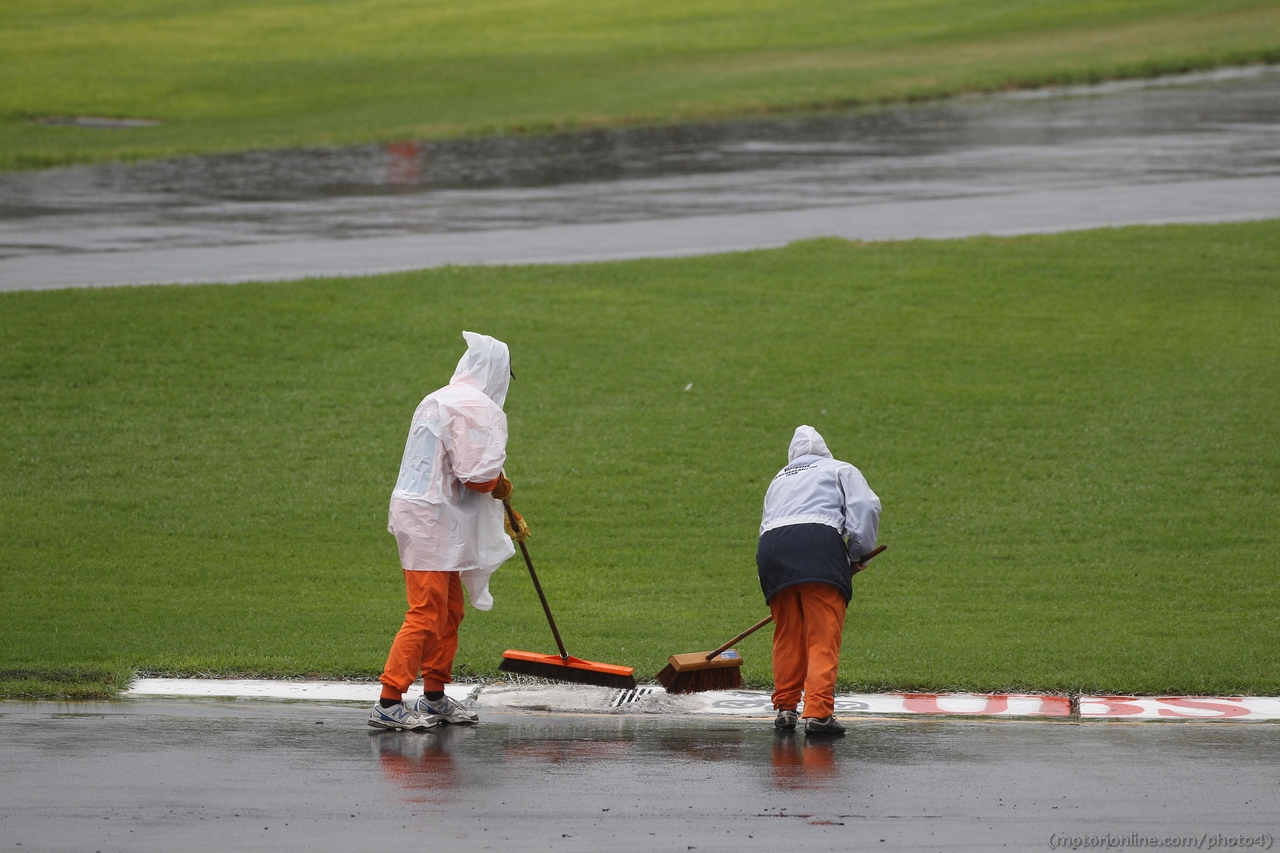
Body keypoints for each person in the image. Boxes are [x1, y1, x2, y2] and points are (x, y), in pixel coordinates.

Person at [369, 331, 530, 731]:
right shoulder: (474, 407)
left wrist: (499, 492)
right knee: (426, 613)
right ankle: (389, 702)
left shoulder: (441, 397)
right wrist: (500, 487)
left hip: (429, 516)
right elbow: (476, 475)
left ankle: (434, 695)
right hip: (430, 521)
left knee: (449, 610)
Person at [756, 425, 880, 736]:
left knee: (787, 633)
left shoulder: (778, 479)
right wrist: (856, 554)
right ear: (823, 450)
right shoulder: (840, 469)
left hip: (772, 551)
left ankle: (785, 709)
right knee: (822, 636)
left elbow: (768, 521)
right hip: (819, 547)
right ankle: (819, 713)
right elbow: (864, 509)